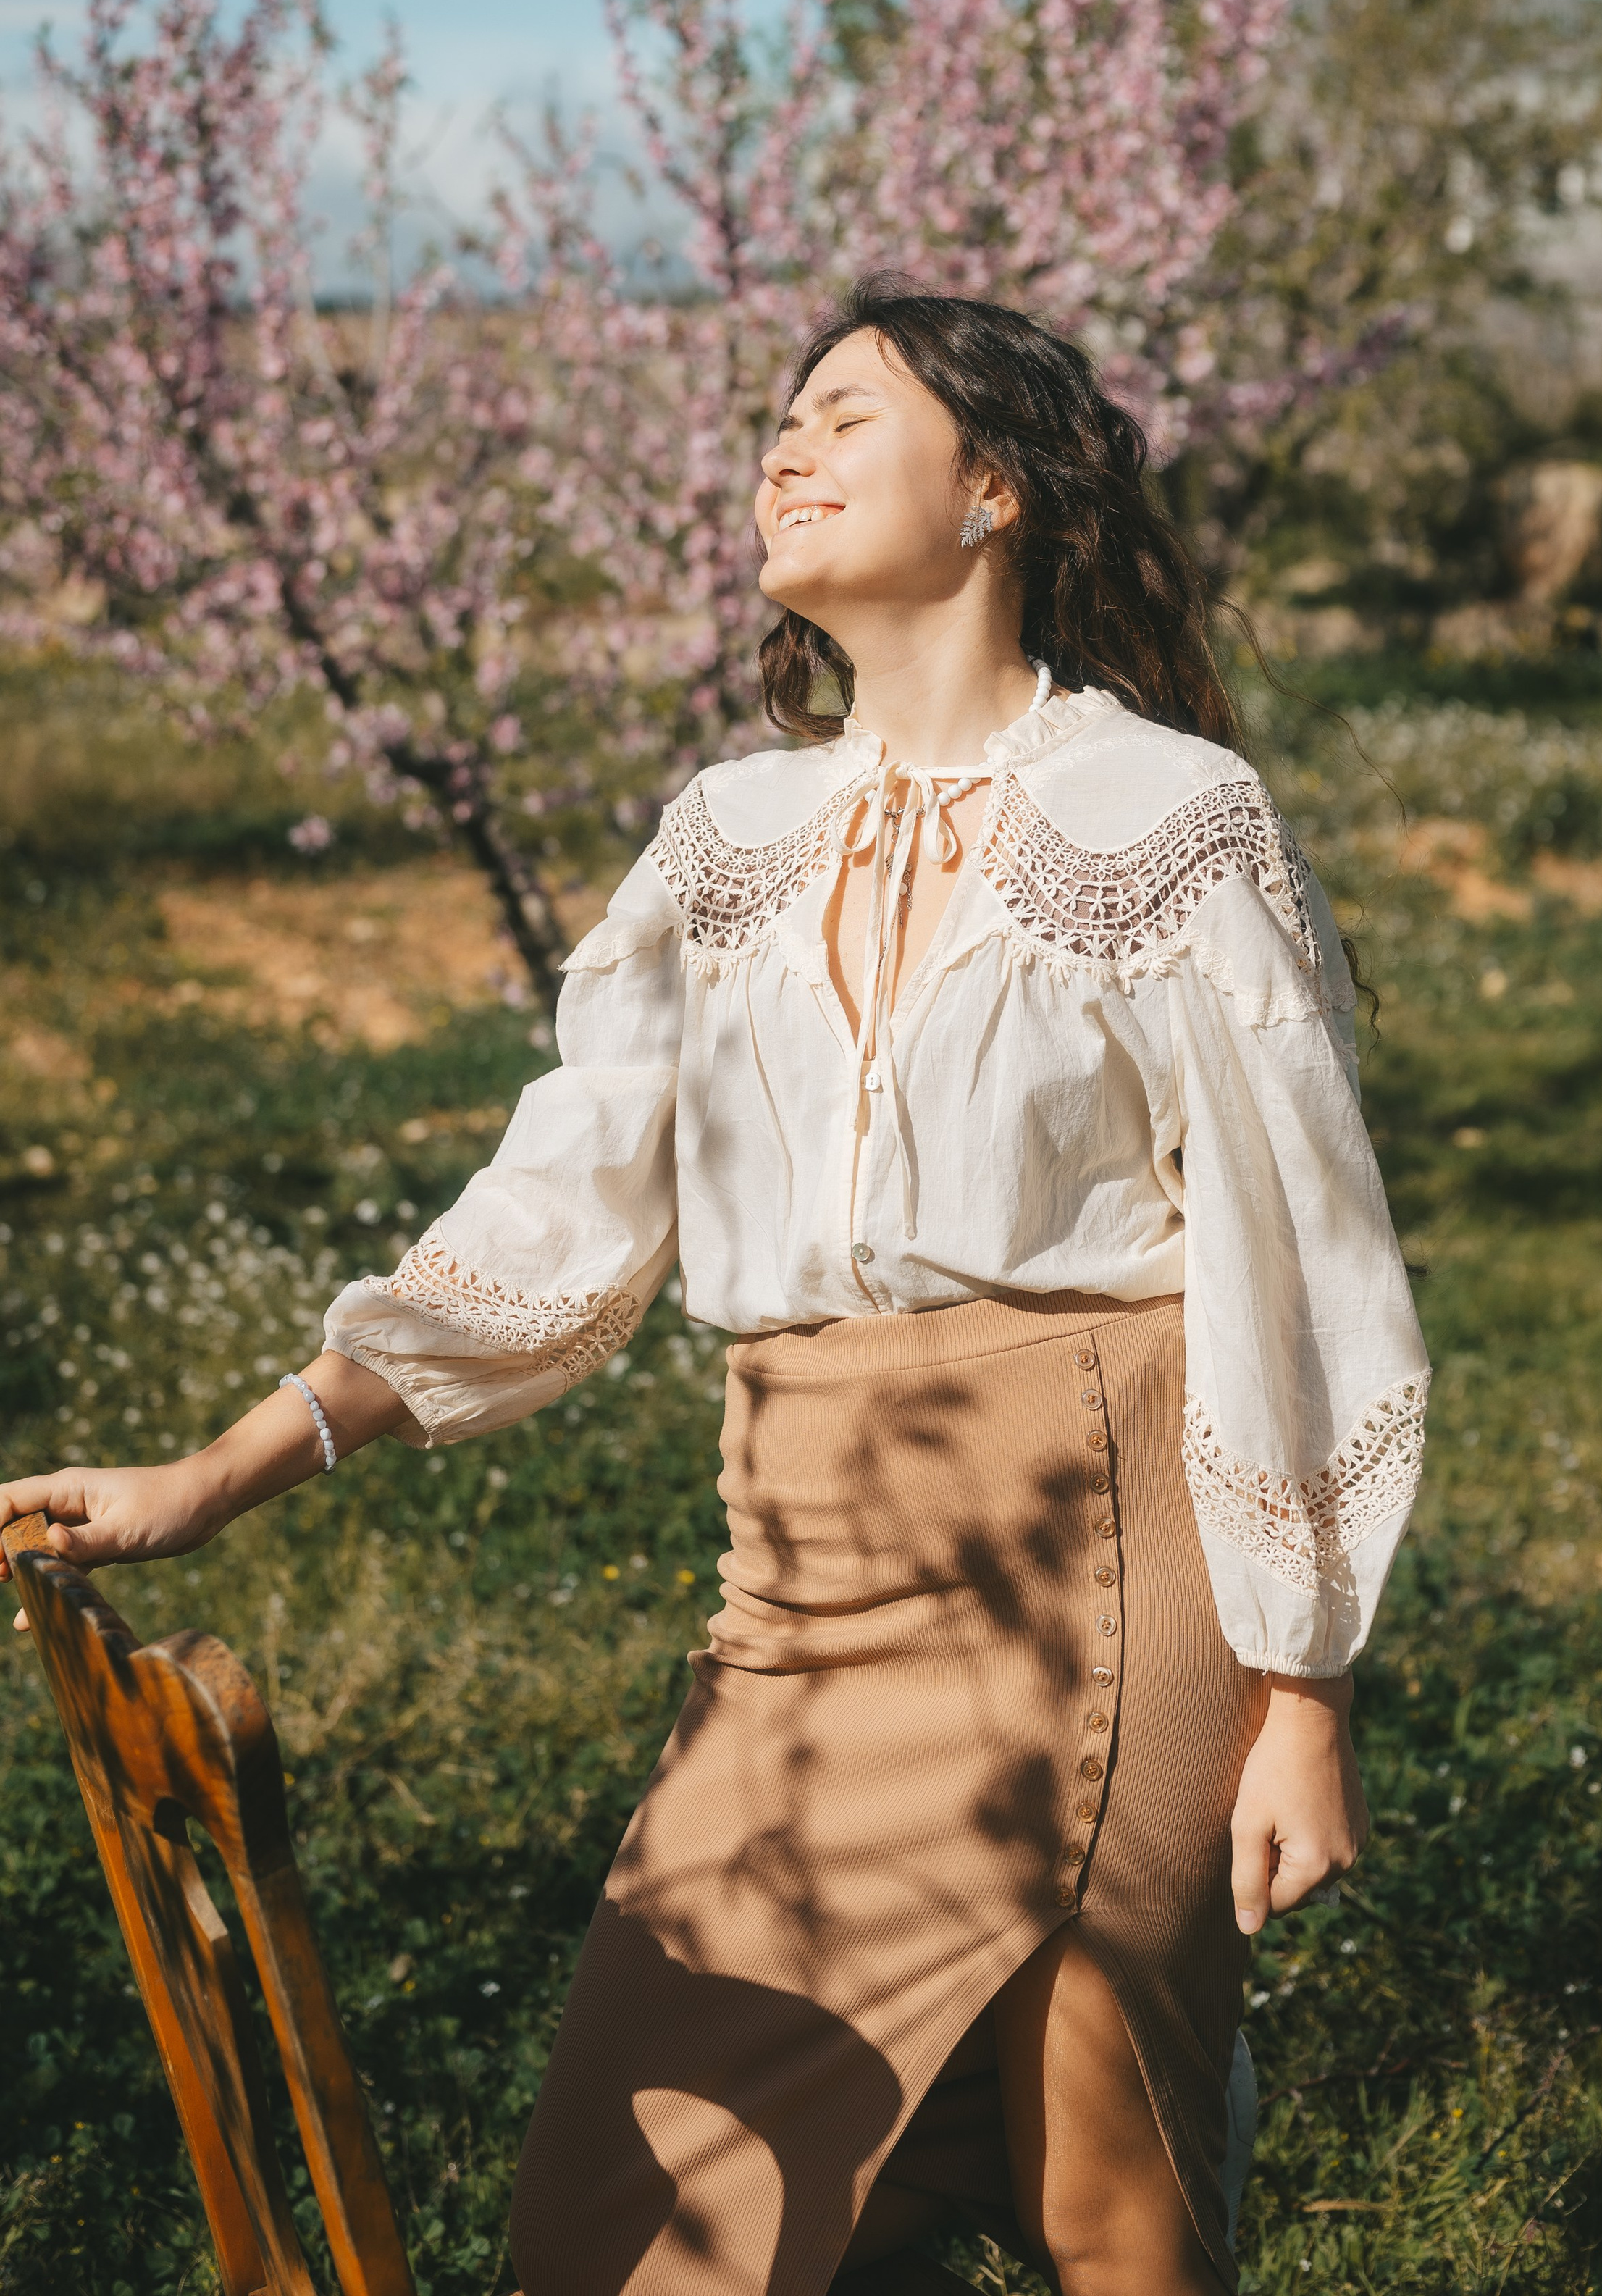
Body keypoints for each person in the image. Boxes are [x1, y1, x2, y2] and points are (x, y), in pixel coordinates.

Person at [0, 277, 1430, 2296]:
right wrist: (221, 1471)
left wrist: (1302, 1694)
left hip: (1102, 1548)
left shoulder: (1170, 819)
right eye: (784, 419)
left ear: (999, 489)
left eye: (849, 415)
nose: (789, 450)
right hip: (803, 1579)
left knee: (1108, 2198)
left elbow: (1300, 1256)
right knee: (625, 2220)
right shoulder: (727, 840)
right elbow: (554, 1219)